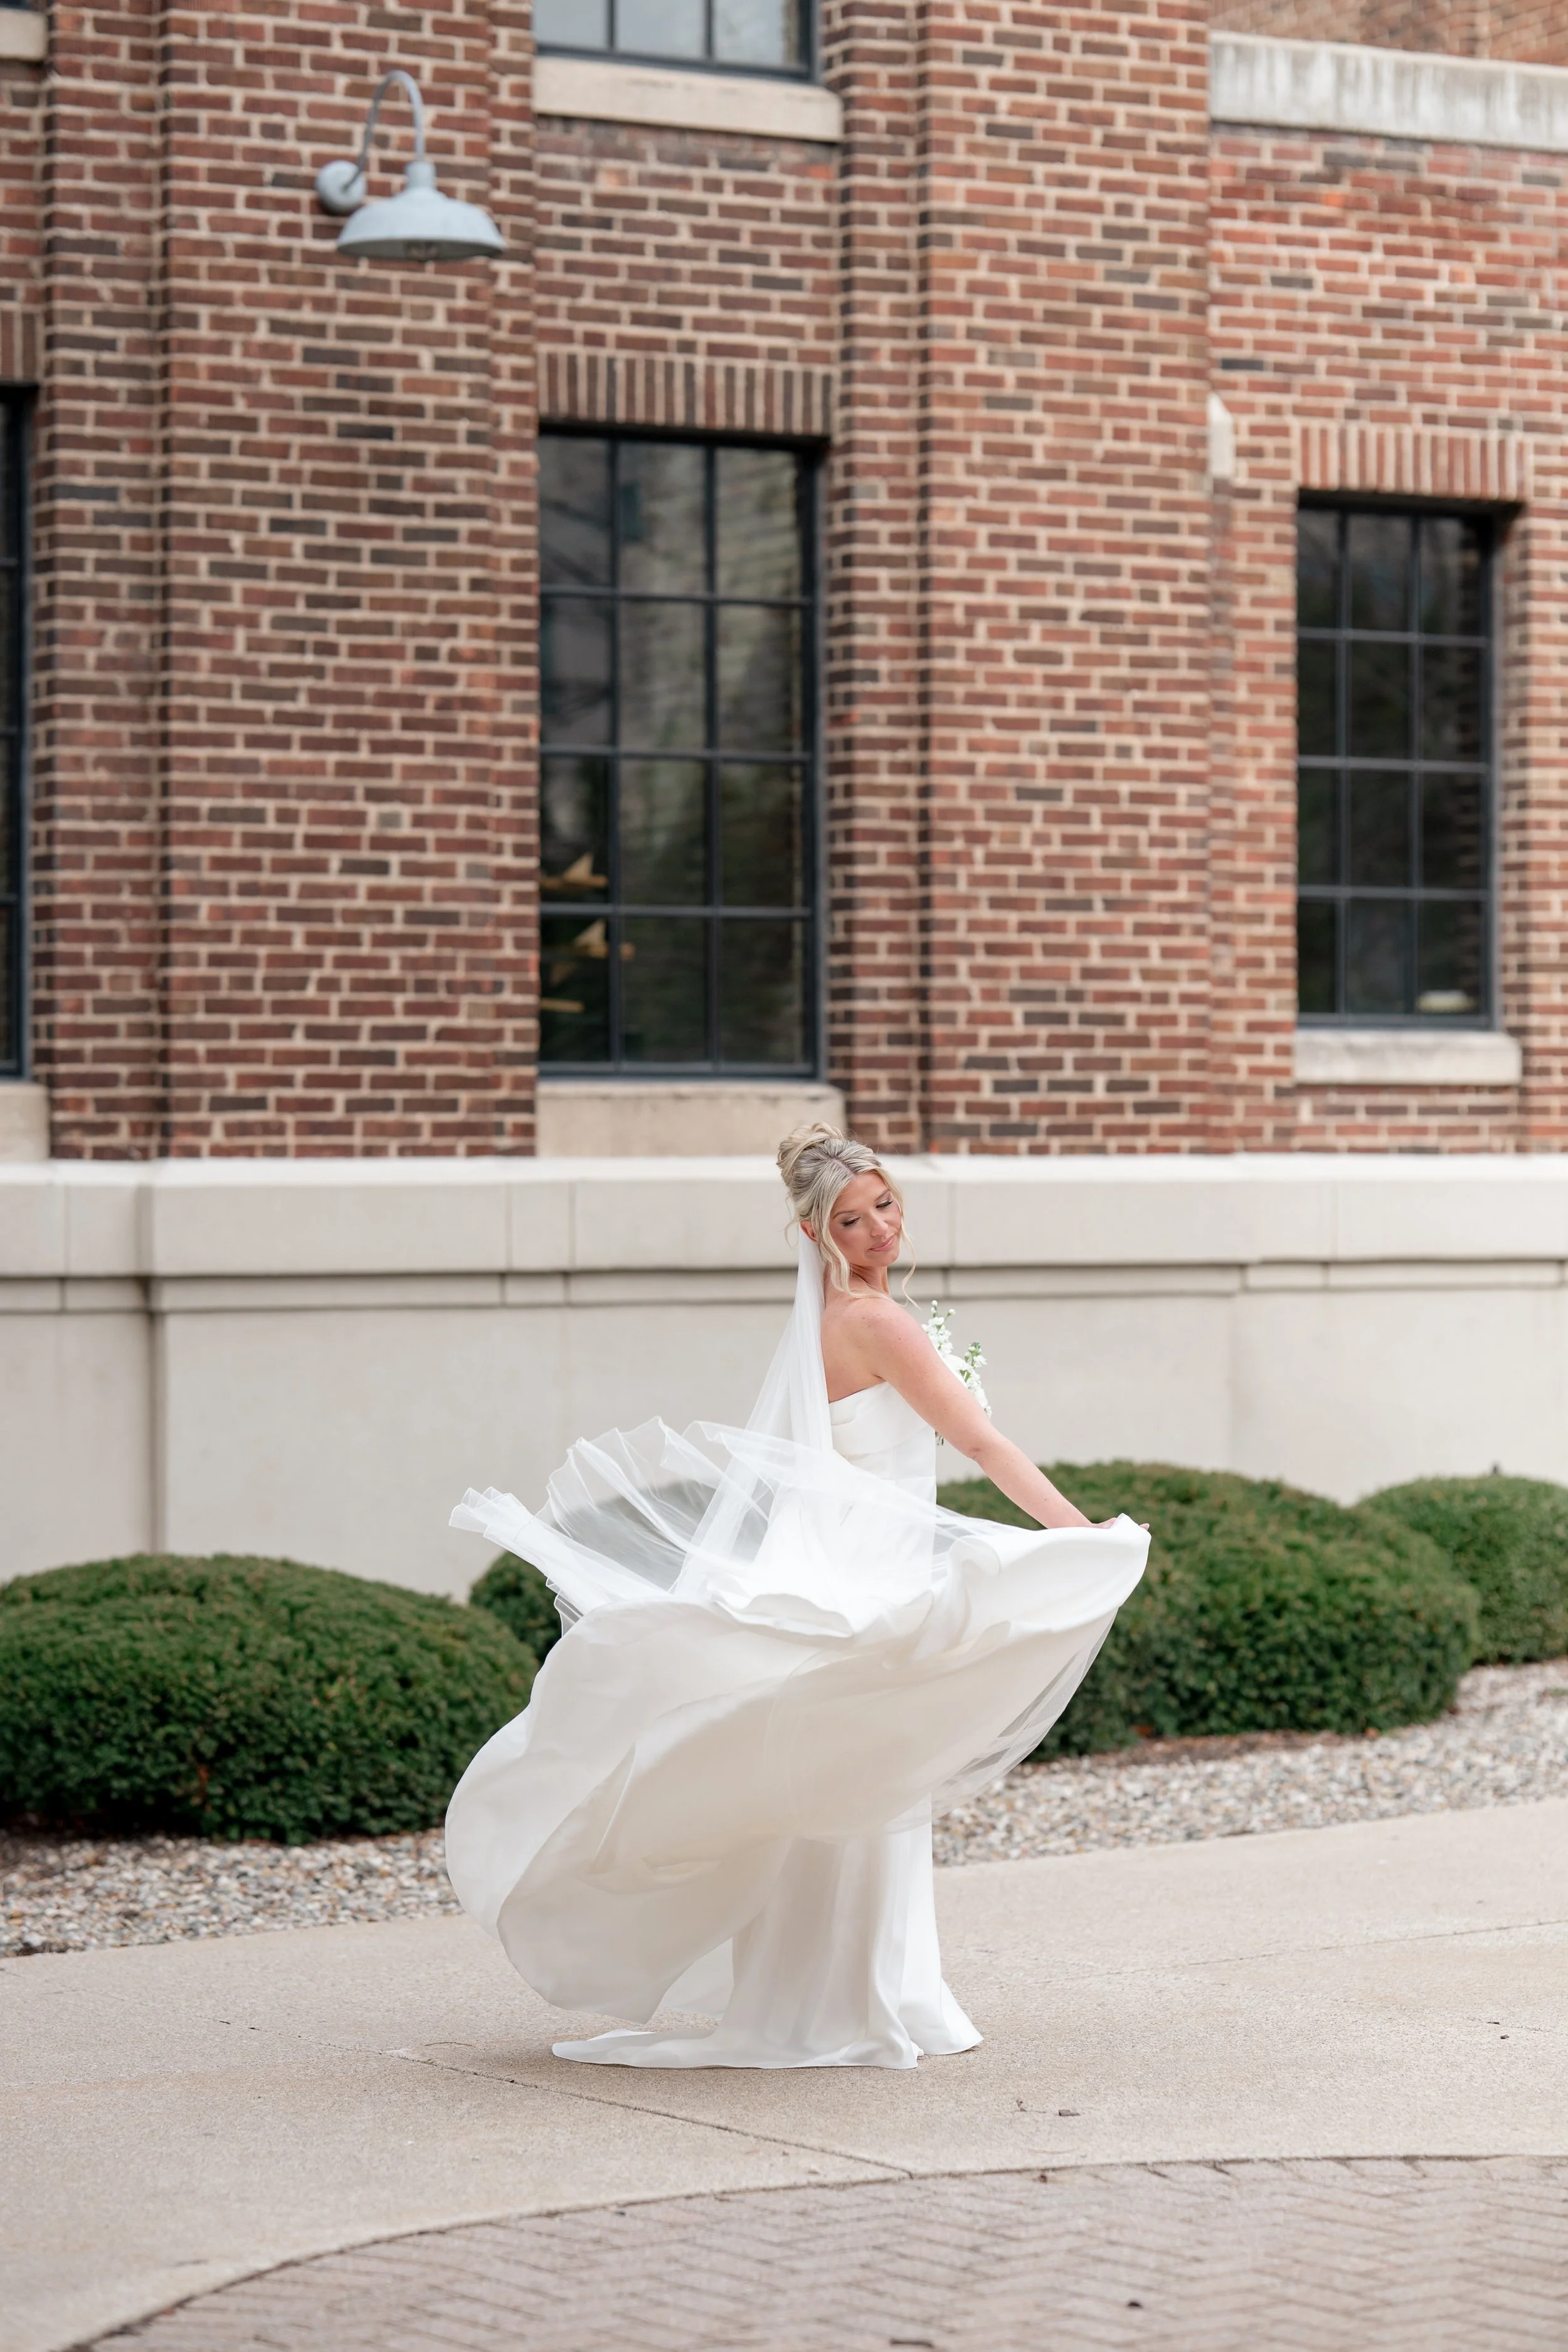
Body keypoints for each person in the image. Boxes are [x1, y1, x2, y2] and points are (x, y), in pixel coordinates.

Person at [445, 1124, 1147, 2070]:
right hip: (868, 1566)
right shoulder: (877, 1324)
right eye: (851, 1220)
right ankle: (843, 2003)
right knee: (862, 1771)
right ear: (816, 1233)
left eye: (886, 1204)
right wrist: (1079, 1530)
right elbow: (982, 1445)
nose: (878, 1230)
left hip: (859, 1553)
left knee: (850, 1772)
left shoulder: (840, 1318)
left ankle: (861, 1992)